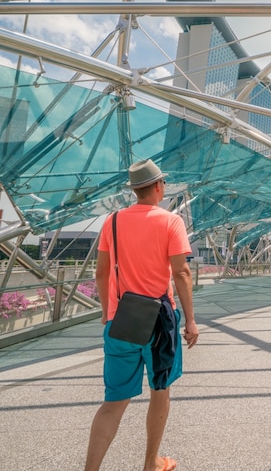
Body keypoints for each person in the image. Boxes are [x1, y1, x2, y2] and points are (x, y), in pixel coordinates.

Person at [84, 159, 199, 471]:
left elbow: (102, 272)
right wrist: (190, 320)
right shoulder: (171, 222)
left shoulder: (114, 222)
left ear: (134, 190)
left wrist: (107, 313)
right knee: (159, 391)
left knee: (114, 402)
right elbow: (182, 272)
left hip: (121, 321)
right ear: (159, 186)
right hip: (159, 323)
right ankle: (151, 463)